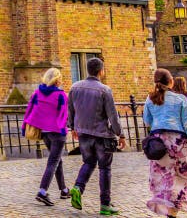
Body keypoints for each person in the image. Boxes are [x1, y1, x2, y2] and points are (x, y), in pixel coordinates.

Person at [67, 57, 126, 216]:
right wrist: (120, 134)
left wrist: (72, 127)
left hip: (83, 134)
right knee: (104, 168)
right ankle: (105, 205)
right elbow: (112, 116)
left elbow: (70, 110)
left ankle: (78, 187)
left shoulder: (75, 87)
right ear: (101, 71)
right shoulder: (105, 90)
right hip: (101, 135)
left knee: (88, 162)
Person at [143, 68, 187, 217]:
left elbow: (147, 121)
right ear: (171, 81)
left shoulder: (150, 99)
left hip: (159, 145)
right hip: (178, 143)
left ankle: (171, 213)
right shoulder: (180, 99)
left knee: (166, 179)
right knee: (184, 177)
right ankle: (176, 209)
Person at [22, 68, 69, 206]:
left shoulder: (37, 93)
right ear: (57, 79)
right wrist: (65, 129)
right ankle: (42, 192)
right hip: (57, 133)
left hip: (44, 133)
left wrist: (24, 127)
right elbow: (64, 115)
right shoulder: (61, 95)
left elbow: (29, 110)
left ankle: (64, 190)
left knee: (57, 160)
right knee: (53, 162)